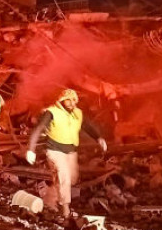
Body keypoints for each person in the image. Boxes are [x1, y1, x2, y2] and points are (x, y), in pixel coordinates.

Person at [25, 88, 108, 222]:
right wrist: (31, 149)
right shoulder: (52, 113)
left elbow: (87, 126)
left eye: (73, 100)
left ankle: (50, 201)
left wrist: (99, 138)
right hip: (54, 150)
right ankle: (66, 211)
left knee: (71, 178)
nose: (71, 103)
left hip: (70, 152)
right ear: (62, 100)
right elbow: (38, 129)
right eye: (67, 100)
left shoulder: (77, 114)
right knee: (64, 177)